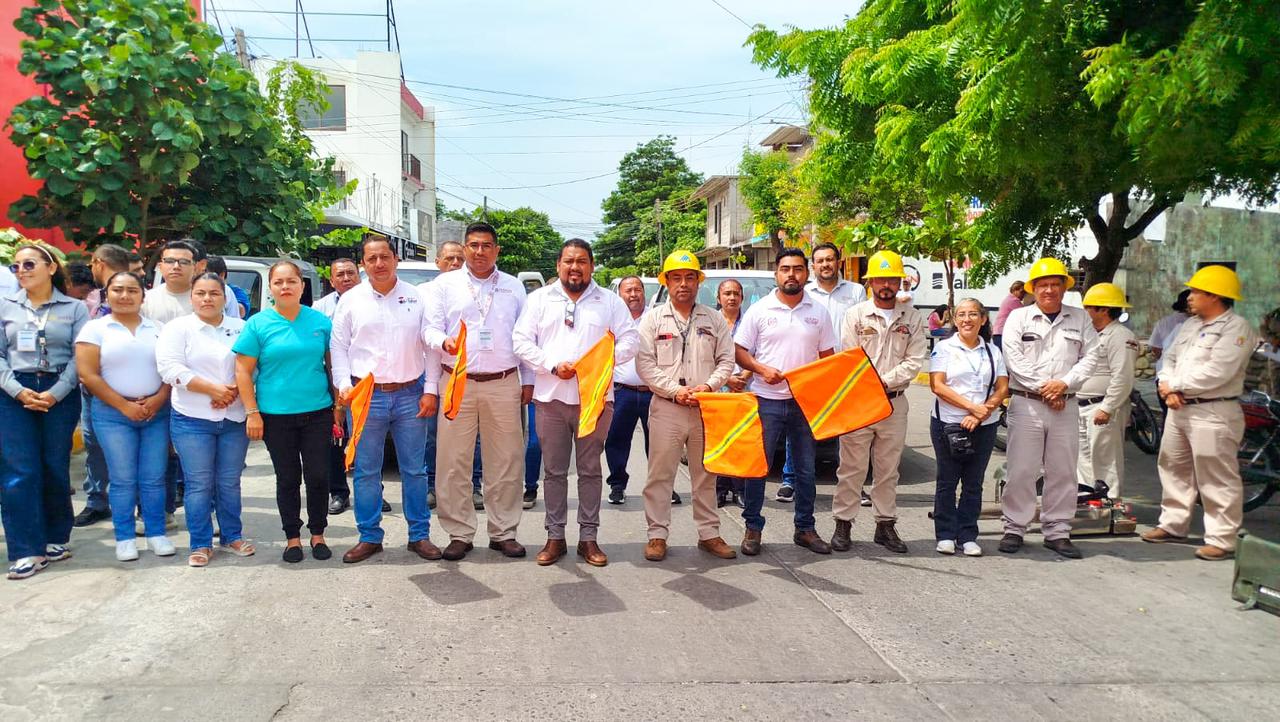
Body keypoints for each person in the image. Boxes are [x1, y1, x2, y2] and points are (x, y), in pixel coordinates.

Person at [513, 239, 639, 568]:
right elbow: (520, 341)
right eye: (569, 261)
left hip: (595, 400)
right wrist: (552, 364)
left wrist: (597, 365)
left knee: (590, 470)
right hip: (550, 398)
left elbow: (630, 339)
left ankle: (588, 538)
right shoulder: (539, 299)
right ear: (558, 266)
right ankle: (555, 537)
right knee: (553, 472)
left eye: (582, 261)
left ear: (592, 265)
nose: (575, 267)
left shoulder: (609, 302)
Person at [421, 221, 532, 561]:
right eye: (473, 245)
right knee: (453, 461)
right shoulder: (444, 285)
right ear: (464, 249)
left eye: (486, 245)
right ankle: (459, 532)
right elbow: (428, 329)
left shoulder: (514, 287)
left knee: (507, 461)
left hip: (503, 382)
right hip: (457, 382)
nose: (480, 251)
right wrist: (444, 341)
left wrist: (528, 380)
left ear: (496, 250)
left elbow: (526, 337)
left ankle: (503, 532)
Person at [330, 238, 439, 564]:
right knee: (365, 471)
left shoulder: (417, 297)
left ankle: (419, 535)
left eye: (384, 257)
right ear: (363, 264)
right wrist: (342, 386)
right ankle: (369, 536)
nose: (379, 263)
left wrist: (431, 388)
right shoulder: (351, 300)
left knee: (415, 471)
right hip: (366, 396)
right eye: (372, 258)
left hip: (410, 394)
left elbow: (429, 345)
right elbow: (338, 347)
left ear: (395, 258)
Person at [1143, 266, 1257, 561]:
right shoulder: (1190, 326)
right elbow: (1169, 357)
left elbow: (1218, 372)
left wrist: (1174, 387)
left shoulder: (1236, 328)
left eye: (1196, 292)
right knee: (1173, 465)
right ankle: (1173, 523)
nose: (1189, 297)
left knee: (1216, 474)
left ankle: (1222, 538)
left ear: (1215, 295)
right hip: (1179, 408)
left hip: (1214, 409)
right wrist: (1166, 384)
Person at [732, 248, 836, 556]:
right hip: (766, 400)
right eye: (786, 269)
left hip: (804, 403)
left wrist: (816, 387)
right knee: (758, 468)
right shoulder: (760, 310)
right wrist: (762, 369)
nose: (792, 274)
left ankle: (805, 528)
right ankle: (753, 527)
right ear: (777, 273)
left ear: (807, 273)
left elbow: (828, 358)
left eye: (798, 269)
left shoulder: (818, 312)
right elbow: (739, 350)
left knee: (805, 469)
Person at [635, 251, 737, 561]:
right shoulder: (652, 319)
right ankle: (657, 535)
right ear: (666, 282)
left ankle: (709, 533)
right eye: (676, 278)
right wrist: (674, 391)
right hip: (667, 408)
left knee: (706, 474)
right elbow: (645, 364)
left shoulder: (713, 318)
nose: (683, 284)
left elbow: (727, 360)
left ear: (698, 282)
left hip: (706, 407)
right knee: (660, 474)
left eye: (690, 277)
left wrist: (708, 386)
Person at [234, 261, 335, 563]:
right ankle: (293, 537)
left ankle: (318, 533)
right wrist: (252, 412)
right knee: (288, 477)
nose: (286, 287)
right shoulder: (258, 324)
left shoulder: (320, 322)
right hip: (275, 415)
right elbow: (242, 370)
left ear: (303, 286)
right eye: (278, 282)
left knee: (318, 475)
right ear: (271, 288)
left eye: (292, 281)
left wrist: (340, 405)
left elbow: (333, 366)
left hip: (318, 411)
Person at [999, 258, 1098, 559]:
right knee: (1021, 469)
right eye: (1043, 285)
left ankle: (1057, 531)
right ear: (1034, 288)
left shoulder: (1080, 319)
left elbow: (1091, 357)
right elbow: (1014, 358)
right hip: (1027, 403)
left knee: (1062, 471)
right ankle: (1014, 527)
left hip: (1065, 406)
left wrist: (1064, 385)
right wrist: (1049, 387)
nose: (1049, 290)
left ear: (1064, 287)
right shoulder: (1019, 318)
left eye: (1055, 284)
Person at [830, 250, 928, 554]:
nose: (886, 284)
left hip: (894, 403)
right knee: (852, 467)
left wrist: (884, 382)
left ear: (900, 281)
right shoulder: (855, 315)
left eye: (891, 278)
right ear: (870, 281)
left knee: (888, 468)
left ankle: (885, 525)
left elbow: (915, 360)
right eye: (880, 278)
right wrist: (872, 384)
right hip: (859, 402)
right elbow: (850, 355)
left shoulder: (912, 318)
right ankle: (843, 524)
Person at [0, 244, 87, 579]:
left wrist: (54, 394)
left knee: (53, 466)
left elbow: (80, 357)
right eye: (16, 266)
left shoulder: (75, 308)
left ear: (51, 268)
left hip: (59, 390)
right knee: (19, 470)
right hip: (13, 391)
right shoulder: (5, 306)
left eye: (29, 263)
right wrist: (18, 390)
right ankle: (25, 550)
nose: (22, 270)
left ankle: (55, 537)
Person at [157, 273, 256, 566]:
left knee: (229, 482)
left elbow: (253, 367)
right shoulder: (178, 328)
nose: (207, 299)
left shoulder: (242, 328)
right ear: (192, 297)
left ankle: (231, 535)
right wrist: (212, 389)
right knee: (198, 483)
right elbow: (168, 367)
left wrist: (231, 392)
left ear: (225, 298)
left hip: (233, 418)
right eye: (200, 293)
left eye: (214, 293)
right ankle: (200, 543)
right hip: (192, 418)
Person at [75, 270, 173, 563]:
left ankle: (156, 533)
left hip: (155, 411)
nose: (125, 296)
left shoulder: (158, 329)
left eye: (132, 290)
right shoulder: (95, 330)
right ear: (107, 294)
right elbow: (88, 375)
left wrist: (157, 399)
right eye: (118, 290)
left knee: (154, 477)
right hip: (112, 413)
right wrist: (123, 405)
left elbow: (171, 369)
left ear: (143, 296)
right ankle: (125, 537)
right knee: (122, 478)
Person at [928, 298, 1008, 556]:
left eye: (973, 314)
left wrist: (981, 414)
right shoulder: (944, 348)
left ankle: (968, 534)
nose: (966, 320)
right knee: (947, 481)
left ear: (983, 319)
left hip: (985, 425)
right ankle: (946, 534)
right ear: (954, 319)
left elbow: (1003, 388)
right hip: (948, 424)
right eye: (961, 314)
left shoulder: (992, 351)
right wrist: (972, 408)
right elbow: (938, 386)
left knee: (974, 483)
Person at [419, 241, 483, 512]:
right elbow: (426, 333)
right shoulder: (423, 292)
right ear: (437, 261)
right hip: (432, 372)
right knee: (433, 435)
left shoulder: (474, 291)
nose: (455, 263)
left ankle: (475, 486)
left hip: (469, 374)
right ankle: (433, 485)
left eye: (459, 258)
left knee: (474, 438)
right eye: (449, 259)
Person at [73, 243, 131, 528]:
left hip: (130, 387)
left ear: (98, 262)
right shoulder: (93, 298)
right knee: (93, 443)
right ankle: (98, 501)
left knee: (135, 447)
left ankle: (139, 505)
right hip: (92, 386)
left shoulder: (137, 293)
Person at [1076, 283, 1138, 500]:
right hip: (1081, 406)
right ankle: (1088, 501)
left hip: (1101, 407)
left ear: (1103, 309)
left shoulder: (1121, 335)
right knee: (1083, 460)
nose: (1085, 313)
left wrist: (1108, 407)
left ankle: (1111, 504)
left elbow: (1123, 376)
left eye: (1088, 308)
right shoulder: (1092, 334)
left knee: (1105, 459)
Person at [604, 275, 660, 506]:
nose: (633, 294)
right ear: (620, 293)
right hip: (622, 390)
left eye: (637, 289)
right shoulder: (611, 320)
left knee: (658, 442)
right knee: (616, 439)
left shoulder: (656, 317)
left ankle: (660, 486)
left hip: (653, 391)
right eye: (628, 290)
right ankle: (617, 485)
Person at [312, 257, 361, 514]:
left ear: (359, 275)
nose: (346, 278)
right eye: (340, 275)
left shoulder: (369, 300)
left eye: (351, 273)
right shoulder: (319, 309)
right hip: (332, 382)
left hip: (364, 382)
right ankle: (339, 493)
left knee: (363, 440)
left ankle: (373, 492)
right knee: (335, 438)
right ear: (331, 280)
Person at [714, 278, 748, 508]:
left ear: (742, 297)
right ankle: (720, 488)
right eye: (727, 294)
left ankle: (740, 489)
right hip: (717, 389)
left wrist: (743, 378)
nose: (731, 297)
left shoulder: (750, 321)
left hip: (745, 388)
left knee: (741, 442)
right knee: (718, 441)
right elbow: (705, 355)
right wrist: (726, 378)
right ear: (719, 298)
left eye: (736, 293)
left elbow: (757, 353)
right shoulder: (710, 321)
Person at [141, 240, 199, 323]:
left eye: (184, 262)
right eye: (169, 261)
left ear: (195, 268)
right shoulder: (147, 299)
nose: (176, 266)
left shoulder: (205, 300)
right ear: (160, 267)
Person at [992, 280, 1026, 348]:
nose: (1024, 295)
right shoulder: (1014, 300)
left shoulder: (1008, 298)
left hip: (998, 332)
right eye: (1022, 292)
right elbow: (1025, 314)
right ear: (1015, 290)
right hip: (1002, 332)